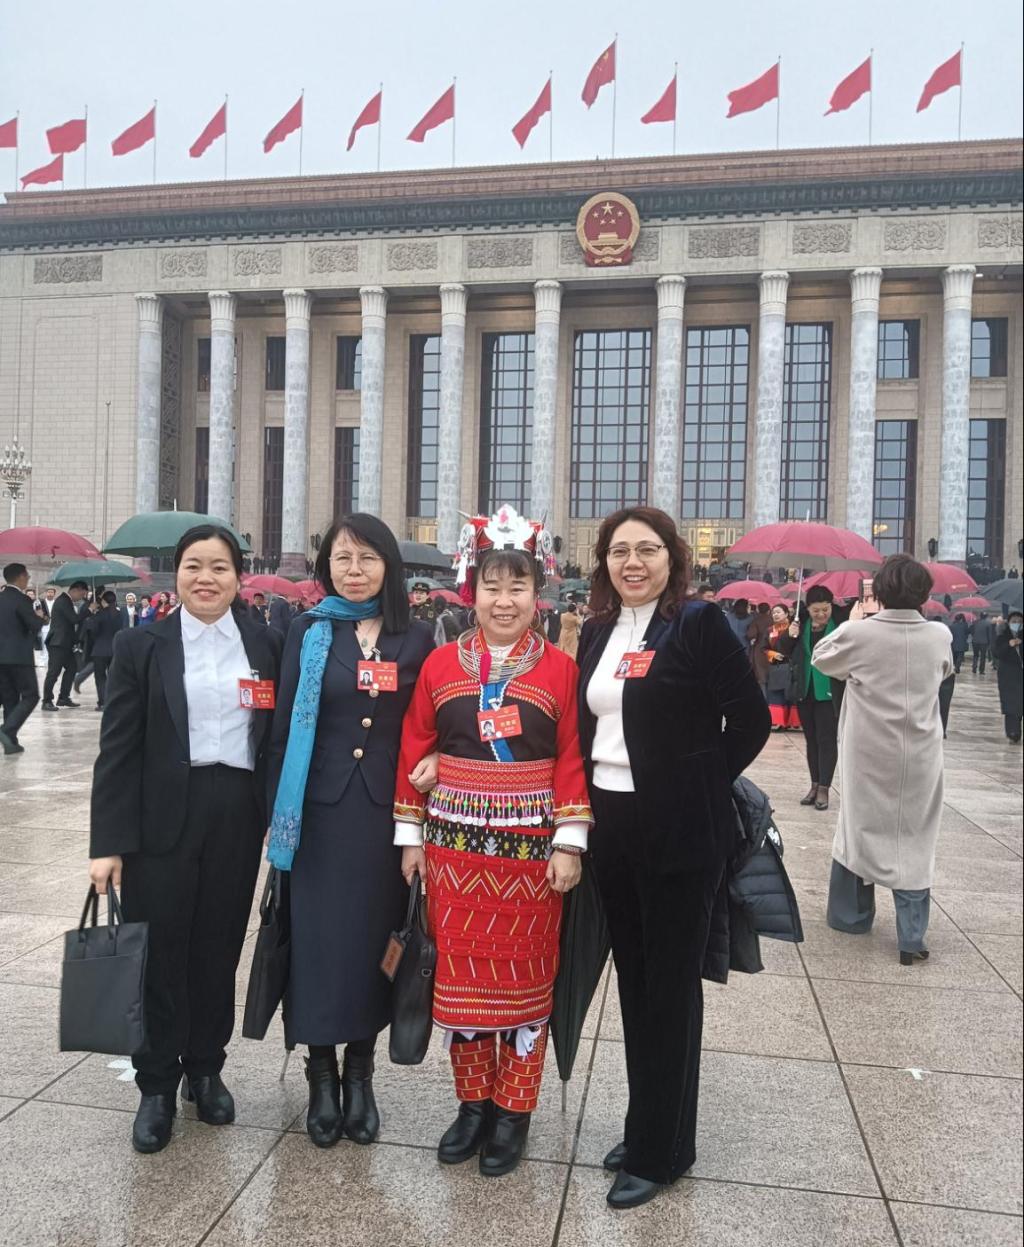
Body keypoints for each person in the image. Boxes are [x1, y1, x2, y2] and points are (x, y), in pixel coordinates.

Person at [575, 507, 770, 1209]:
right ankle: (648, 1127)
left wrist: (696, 782)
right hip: (611, 823)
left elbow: (750, 720)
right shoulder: (596, 630)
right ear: (604, 561)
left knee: (671, 988)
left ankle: (661, 1152)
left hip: (680, 828)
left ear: (672, 557)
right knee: (635, 982)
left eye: (647, 549)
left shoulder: (697, 623)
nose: (633, 562)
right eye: (620, 551)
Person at [394, 505, 591, 1180]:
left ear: (538, 592)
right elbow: (416, 743)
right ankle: (473, 1104)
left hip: (531, 856)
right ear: (470, 590)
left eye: (517, 587)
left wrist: (569, 841)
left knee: (526, 987)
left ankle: (514, 1112)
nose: (504, 601)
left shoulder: (560, 669)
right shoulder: (441, 664)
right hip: (453, 850)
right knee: (461, 988)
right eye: (492, 587)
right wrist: (411, 835)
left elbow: (571, 756)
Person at [88, 525, 282, 1154]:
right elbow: (118, 749)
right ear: (176, 574)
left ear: (238, 576)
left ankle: (205, 1067)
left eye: (220, 567)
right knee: (159, 948)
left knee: (218, 946)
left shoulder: (265, 642)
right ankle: (156, 1084)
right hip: (162, 817)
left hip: (237, 812)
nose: (206, 578)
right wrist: (107, 843)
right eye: (194, 565)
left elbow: (278, 734)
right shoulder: (141, 645)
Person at [266, 513, 434, 1151]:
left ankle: (360, 1072)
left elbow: (434, 721)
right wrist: (275, 818)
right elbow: (284, 726)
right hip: (317, 817)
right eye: (342, 558)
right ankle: (320, 1074)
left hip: (385, 819)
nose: (354, 570)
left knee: (373, 944)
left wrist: (439, 764)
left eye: (367, 558)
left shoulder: (415, 637)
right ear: (326, 566)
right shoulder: (308, 631)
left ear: (388, 566)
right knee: (317, 945)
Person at [813, 555, 954, 966]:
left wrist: (855, 619)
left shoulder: (858, 633)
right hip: (920, 753)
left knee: (859, 827)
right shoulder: (939, 635)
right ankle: (911, 934)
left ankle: (851, 916)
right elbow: (944, 671)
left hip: (868, 752)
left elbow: (822, 657)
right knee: (915, 835)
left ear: (879, 592)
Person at [777, 586, 850, 811]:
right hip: (805, 689)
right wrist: (789, 635)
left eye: (825, 609)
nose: (821, 614)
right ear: (808, 608)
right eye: (816, 610)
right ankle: (814, 784)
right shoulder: (800, 624)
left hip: (830, 691)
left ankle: (824, 788)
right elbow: (782, 650)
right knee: (811, 740)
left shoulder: (841, 625)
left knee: (826, 740)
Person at [0, 563, 44, 756]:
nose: (28, 580)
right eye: (27, 576)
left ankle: (11, 742)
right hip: (18, 656)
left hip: (1, 657)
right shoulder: (22, 599)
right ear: (20, 577)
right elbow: (33, 625)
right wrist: (40, 617)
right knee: (31, 695)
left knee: (9, 698)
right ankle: (6, 730)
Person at [41, 580, 89, 710]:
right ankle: (46, 701)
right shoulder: (63, 601)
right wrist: (89, 610)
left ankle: (63, 697)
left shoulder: (67, 601)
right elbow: (74, 619)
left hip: (65, 642)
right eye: (81, 595)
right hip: (57, 642)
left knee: (72, 668)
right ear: (75, 590)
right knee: (54, 672)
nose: (81, 598)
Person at [82, 591, 125, 710]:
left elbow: (94, 632)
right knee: (114, 677)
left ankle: (102, 702)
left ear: (104, 601)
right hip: (114, 649)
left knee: (100, 678)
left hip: (100, 650)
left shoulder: (99, 614)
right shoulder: (120, 614)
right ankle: (114, 701)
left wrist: (91, 619)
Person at [763, 604, 800, 731]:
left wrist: (793, 634)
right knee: (776, 694)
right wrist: (772, 654)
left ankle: (794, 722)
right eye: (773, 613)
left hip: (791, 665)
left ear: (786, 614)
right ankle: (778, 721)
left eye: (778, 612)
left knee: (792, 694)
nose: (775, 615)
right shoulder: (769, 630)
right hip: (776, 666)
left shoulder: (794, 627)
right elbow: (764, 648)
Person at [991, 611, 1023, 742]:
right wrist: (1009, 644)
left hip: (1021, 675)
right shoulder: (1002, 636)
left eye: (1019, 621)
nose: (1017, 623)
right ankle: (1012, 732)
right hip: (1008, 676)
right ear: (1008, 623)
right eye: (1014, 621)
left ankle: (1017, 730)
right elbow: (996, 653)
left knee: (1020, 704)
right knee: (1011, 705)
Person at [746, 601, 773, 684]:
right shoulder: (773, 620)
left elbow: (751, 634)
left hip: (759, 647)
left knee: (760, 668)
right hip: (772, 646)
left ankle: (763, 683)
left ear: (758, 610)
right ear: (769, 610)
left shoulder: (756, 620)